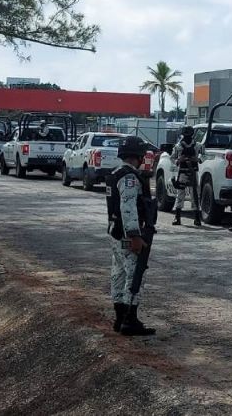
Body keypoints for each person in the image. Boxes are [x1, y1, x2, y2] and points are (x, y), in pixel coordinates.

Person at [106, 136, 158, 336]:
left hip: (116, 233)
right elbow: (128, 208)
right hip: (128, 235)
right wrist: (135, 236)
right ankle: (130, 319)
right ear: (138, 155)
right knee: (135, 274)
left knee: (118, 274)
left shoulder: (117, 173)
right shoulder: (129, 178)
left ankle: (120, 318)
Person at [171, 125, 204, 226]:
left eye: (188, 135)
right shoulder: (178, 146)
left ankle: (197, 218)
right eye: (185, 135)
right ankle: (177, 217)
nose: (187, 137)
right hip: (183, 171)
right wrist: (179, 160)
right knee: (180, 194)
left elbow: (205, 155)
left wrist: (197, 159)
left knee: (195, 194)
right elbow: (172, 158)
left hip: (193, 172)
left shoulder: (198, 145)